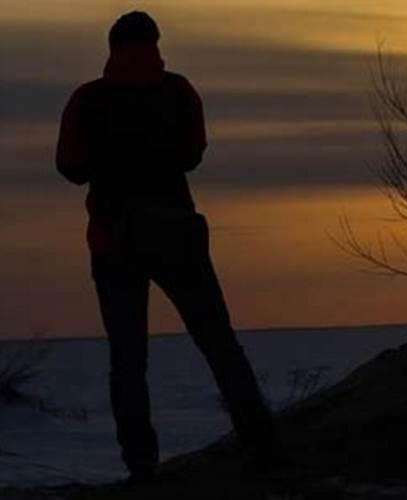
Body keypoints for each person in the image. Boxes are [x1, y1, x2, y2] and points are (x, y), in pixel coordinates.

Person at [56, 11, 276, 482]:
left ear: (111, 47)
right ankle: (262, 445)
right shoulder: (178, 91)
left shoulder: (88, 100)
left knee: (128, 360)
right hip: (177, 234)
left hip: (114, 241)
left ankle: (141, 467)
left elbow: (70, 166)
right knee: (219, 343)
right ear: (155, 44)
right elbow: (193, 154)